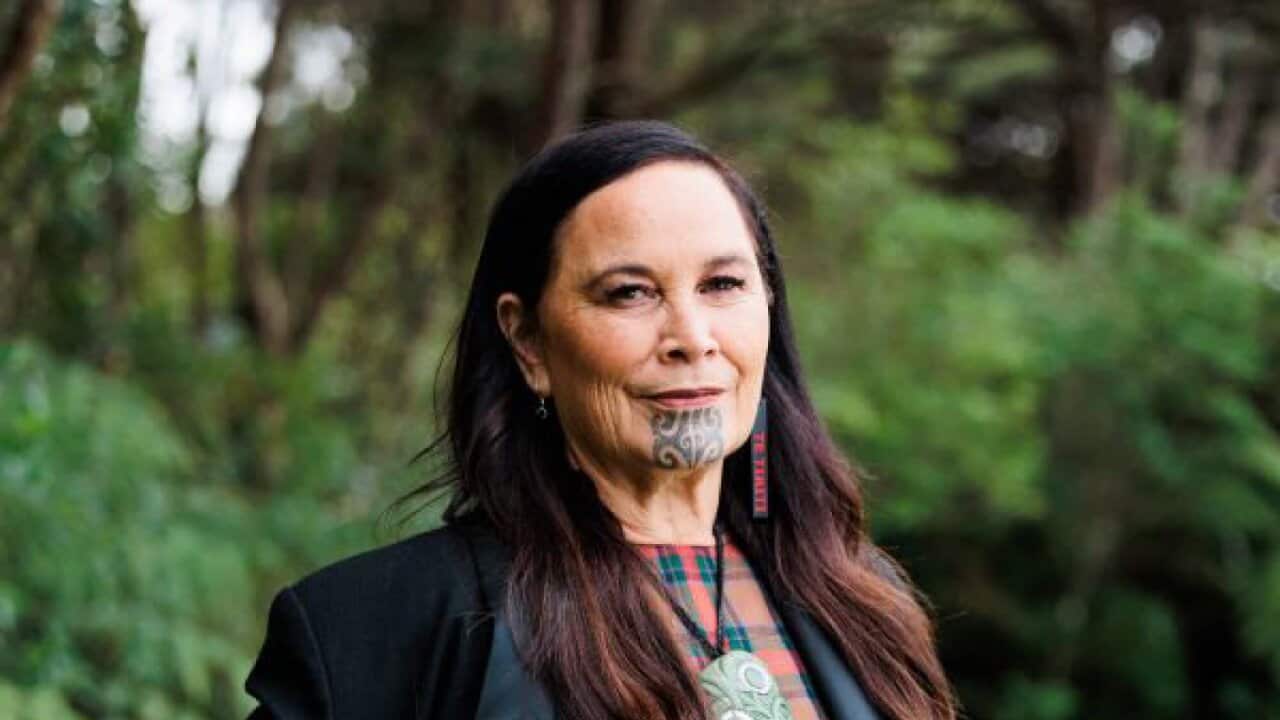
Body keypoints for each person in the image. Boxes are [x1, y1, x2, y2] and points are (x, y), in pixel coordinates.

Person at [244, 120, 956, 720]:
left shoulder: (868, 603)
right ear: (528, 342)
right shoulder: (377, 631)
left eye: (723, 284)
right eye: (629, 293)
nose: (692, 336)